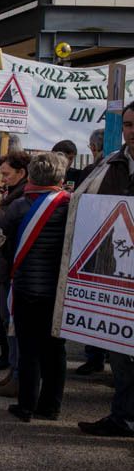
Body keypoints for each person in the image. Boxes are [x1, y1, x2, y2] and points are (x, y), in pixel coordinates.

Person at [0, 153, 71, 422]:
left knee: (29, 349)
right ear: (61, 177)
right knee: (55, 349)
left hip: (27, 286)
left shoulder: (17, 206)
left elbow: (5, 245)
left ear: (31, 174)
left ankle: (26, 405)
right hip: (58, 289)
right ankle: (51, 406)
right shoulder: (69, 206)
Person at [76, 101, 134, 438]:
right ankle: (123, 416)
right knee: (121, 354)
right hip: (116, 275)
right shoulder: (109, 165)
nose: (131, 131)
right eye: (127, 124)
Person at [0, 150, 31, 397]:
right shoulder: (11, 193)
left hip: (10, 268)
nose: (2, 179)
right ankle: (11, 368)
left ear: (21, 173)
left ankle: (17, 373)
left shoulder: (21, 197)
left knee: (11, 321)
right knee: (3, 320)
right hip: (0, 267)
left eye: (6, 174)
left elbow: (3, 227)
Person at [74, 127, 108, 374]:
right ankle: (97, 355)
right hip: (101, 244)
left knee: (99, 305)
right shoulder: (95, 170)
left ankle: (96, 355)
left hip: (100, 244)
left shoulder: (95, 172)